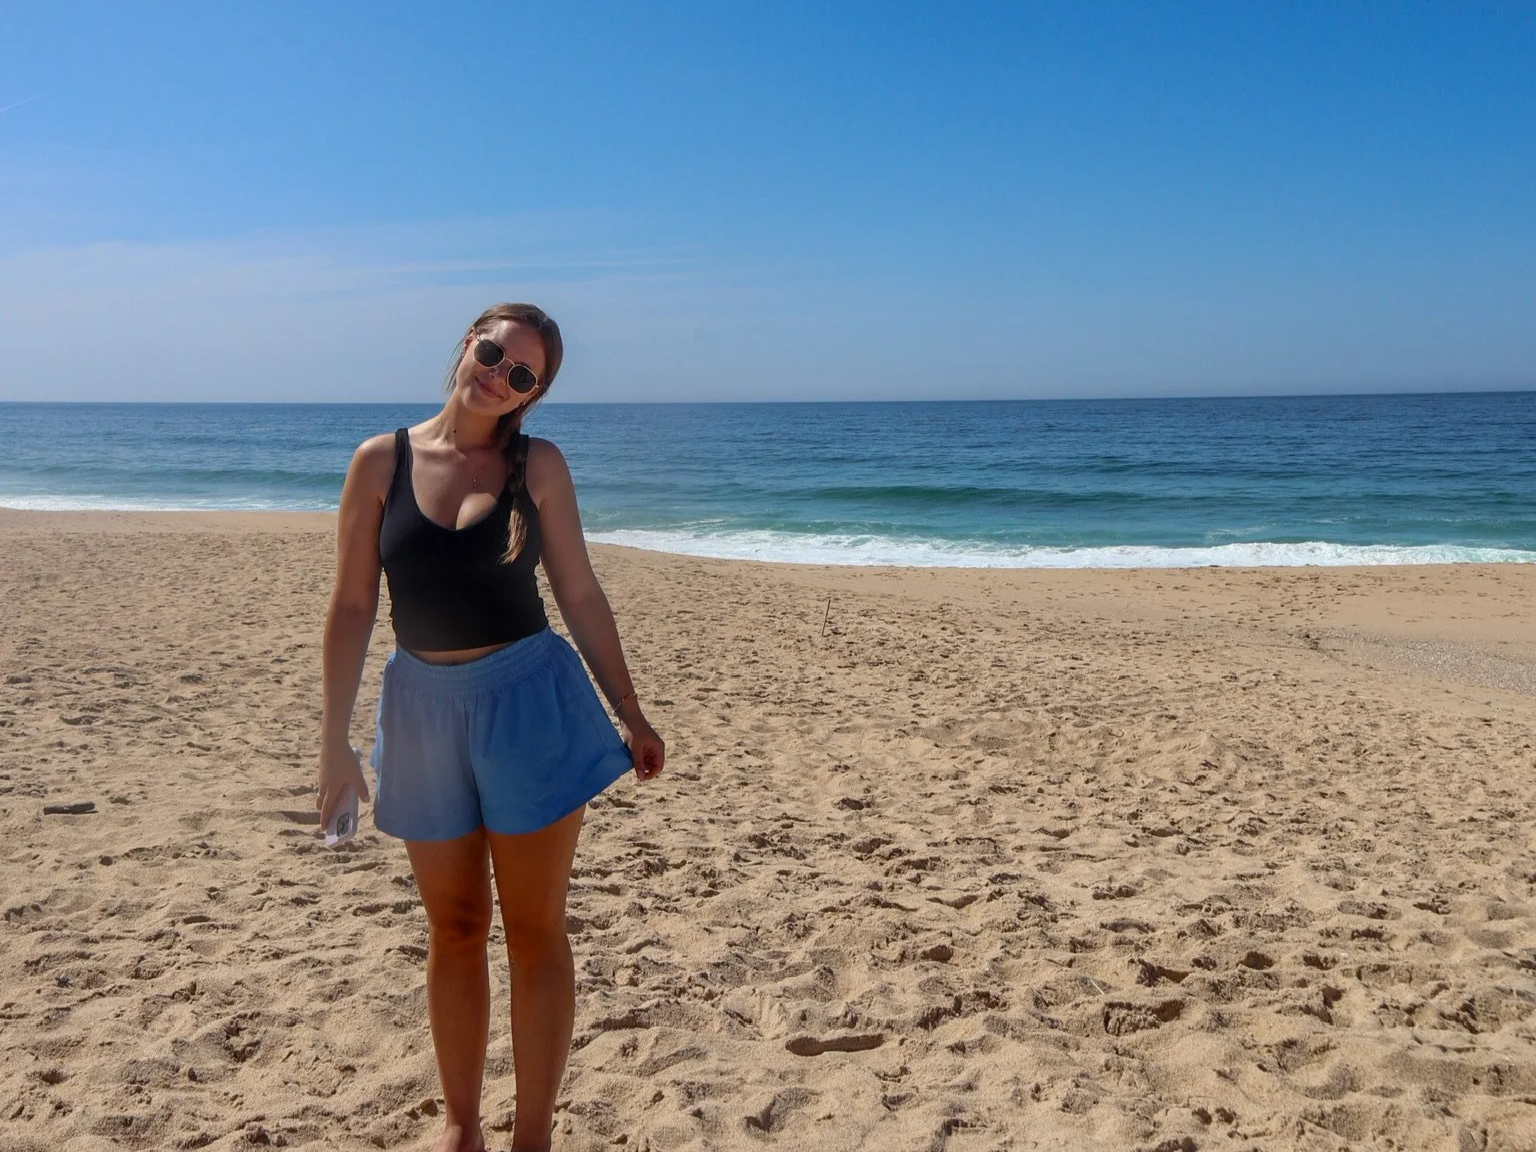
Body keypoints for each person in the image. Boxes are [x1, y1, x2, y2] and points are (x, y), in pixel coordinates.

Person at [317, 302, 666, 1152]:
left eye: (522, 376)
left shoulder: (535, 467)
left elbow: (579, 592)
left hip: (529, 704)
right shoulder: (379, 462)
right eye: (492, 354)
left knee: (537, 928)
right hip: (421, 711)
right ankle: (463, 1126)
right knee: (456, 928)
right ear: (466, 342)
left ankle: (533, 1135)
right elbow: (355, 603)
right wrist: (334, 745)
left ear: (532, 396)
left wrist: (629, 707)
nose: (498, 377)